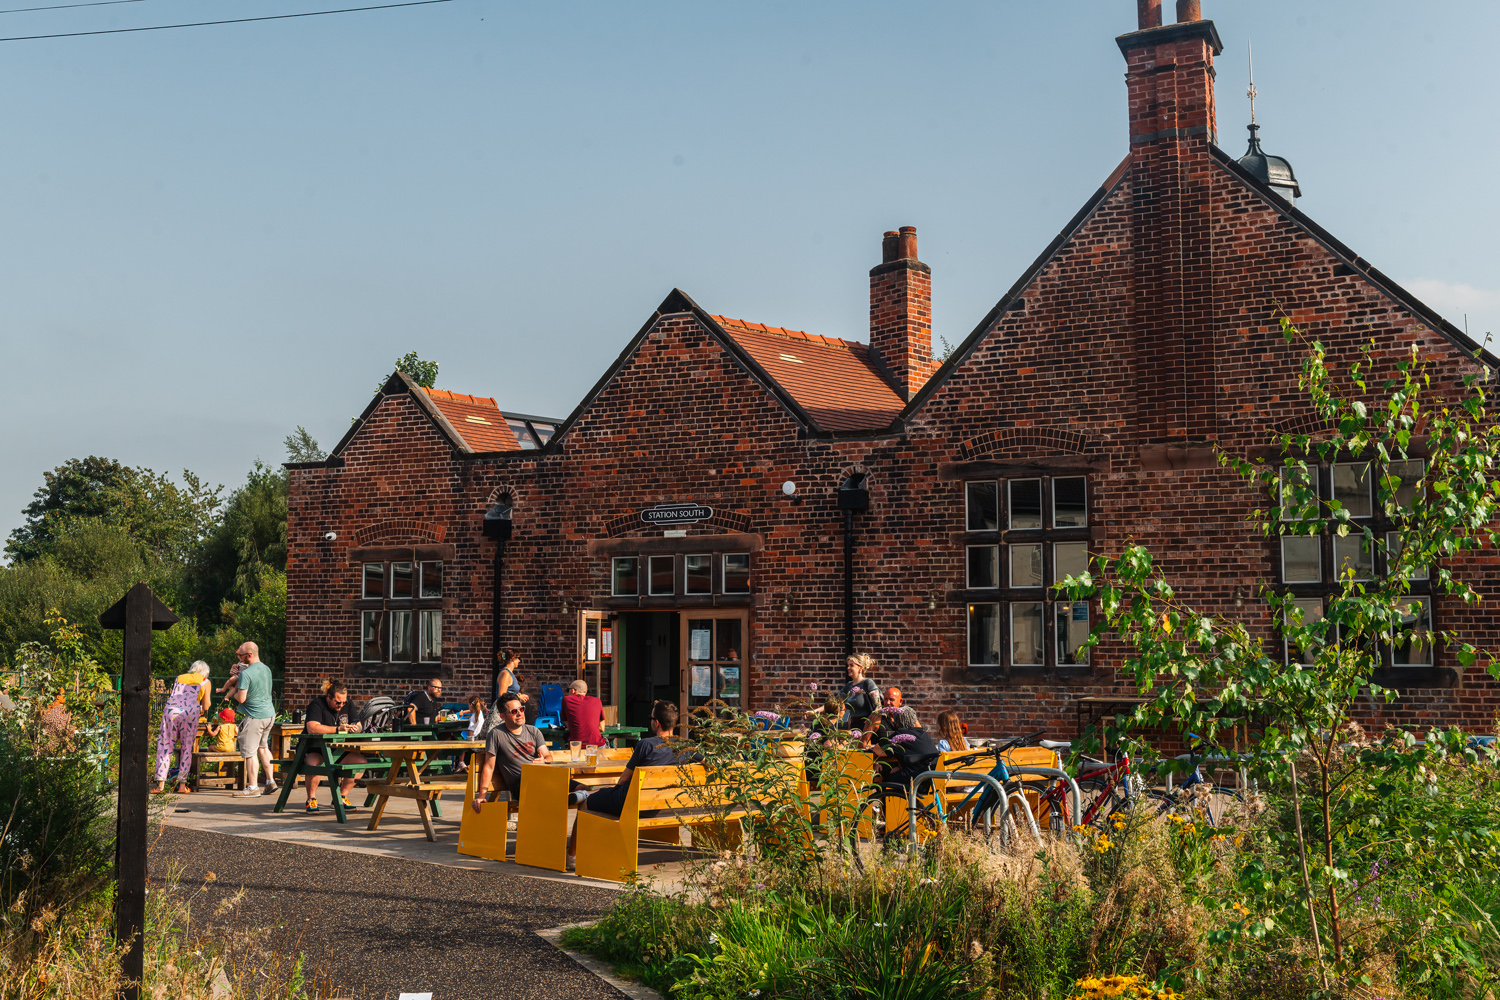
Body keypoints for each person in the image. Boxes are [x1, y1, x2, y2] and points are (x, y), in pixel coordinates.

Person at [582, 700, 698, 818]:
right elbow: (707, 761)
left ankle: (582, 802)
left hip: (632, 802)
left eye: (650, 717)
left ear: (656, 723)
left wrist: (613, 791)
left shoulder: (646, 745)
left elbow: (624, 779)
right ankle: (584, 794)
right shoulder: (684, 746)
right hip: (660, 804)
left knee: (586, 802)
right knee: (602, 794)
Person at [471, 692, 550, 808]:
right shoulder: (496, 734)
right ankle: (568, 799)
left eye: (521, 710)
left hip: (542, 778)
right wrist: (482, 796)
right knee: (549, 793)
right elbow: (489, 766)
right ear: (502, 717)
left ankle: (572, 798)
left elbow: (548, 756)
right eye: (514, 711)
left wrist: (544, 761)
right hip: (521, 784)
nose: (519, 714)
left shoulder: (534, 731)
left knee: (581, 788)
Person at [302, 680, 367, 813]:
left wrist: (356, 728)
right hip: (316, 749)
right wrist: (338, 729)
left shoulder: (347, 704)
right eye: (338, 702)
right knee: (313, 764)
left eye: (343, 702)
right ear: (329, 698)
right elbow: (312, 728)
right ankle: (311, 799)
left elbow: (359, 724)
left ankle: (341, 797)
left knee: (360, 762)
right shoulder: (317, 704)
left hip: (338, 749)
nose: (341, 705)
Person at [152, 661, 211, 794]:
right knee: (186, 748)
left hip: (171, 712)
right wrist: (199, 710)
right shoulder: (205, 681)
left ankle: (160, 786)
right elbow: (206, 706)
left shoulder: (179, 677)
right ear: (205, 672)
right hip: (189, 714)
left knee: (165, 746)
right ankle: (182, 786)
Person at [229, 642, 278, 797]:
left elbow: (241, 698)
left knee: (250, 752)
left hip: (254, 716)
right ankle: (270, 782)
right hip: (269, 714)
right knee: (263, 748)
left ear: (249, 655)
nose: (238, 658)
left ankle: (253, 788)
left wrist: (232, 691)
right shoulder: (266, 669)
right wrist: (236, 675)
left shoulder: (246, 674)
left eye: (240, 655)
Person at [561, 679, 606, 748]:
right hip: (597, 745)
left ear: (573, 690)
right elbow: (602, 728)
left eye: (568, 690)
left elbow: (569, 727)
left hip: (577, 746)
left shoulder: (567, 700)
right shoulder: (597, 701)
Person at [841, 653, 880, 729]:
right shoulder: (848, 686)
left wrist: (871, 720)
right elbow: (835, 702)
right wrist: (815, 711)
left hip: (867, 726)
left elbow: (878, 706)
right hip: (852, 726)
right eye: (848, 665)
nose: (848, 668)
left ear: (860, 668)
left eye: (851, 665)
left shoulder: (868, 683)